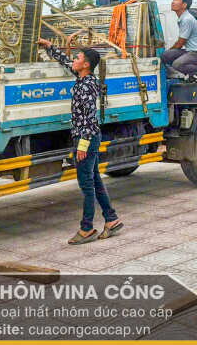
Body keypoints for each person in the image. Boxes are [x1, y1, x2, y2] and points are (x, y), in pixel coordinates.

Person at [37, 38, 123, 244]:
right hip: (88, 137)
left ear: (86, 65)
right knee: (94, 180)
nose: (74, 60)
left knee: (86, 185)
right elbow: (66, 62)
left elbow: (89, 118)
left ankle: (86, 229)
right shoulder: (85, 78)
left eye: (78, 58)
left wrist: (82, 145)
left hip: (87, 138)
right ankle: (111, 219)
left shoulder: (87, 86)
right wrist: (50, 47)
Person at [162, 0, 197, 79]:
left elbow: (180, 43)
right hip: (191, 51)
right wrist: (169, 53)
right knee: (165, 56)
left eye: (176, 0)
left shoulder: (187, 19)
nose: (173, 2)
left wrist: (170, 50)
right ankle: (190, 74)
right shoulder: (182, 18)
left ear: (184, 5)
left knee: (177, 64)